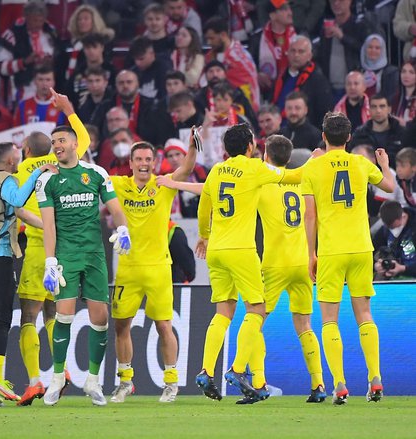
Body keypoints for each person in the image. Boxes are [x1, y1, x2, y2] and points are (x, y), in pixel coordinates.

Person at [163, 123, 304, 402]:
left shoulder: (217, 170)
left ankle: (205, 370)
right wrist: (319, 163)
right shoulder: (254, 168)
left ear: (225, 149)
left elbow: (205, 203)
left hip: (216, 249)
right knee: (256, 308)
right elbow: (292, 176)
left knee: (222, 312)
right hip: (242, 250)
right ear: (251, 147)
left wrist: (203, 236)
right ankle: (238, 369)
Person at [302, 112, 394, 404]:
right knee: (364, 314)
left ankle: (340, 384)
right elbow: (390, 188)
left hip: (331, 251)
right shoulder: (360, 163)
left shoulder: (313, 168)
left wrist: (310, 254)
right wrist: (385, 166)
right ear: (349, 138)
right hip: (361, 248)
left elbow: (311, 215)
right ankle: (375, 378)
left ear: (324, 136)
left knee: (330, 320)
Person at [36, 122, 130, 407]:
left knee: (100, 319)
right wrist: (50, 261)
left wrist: (123, 229)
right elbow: (49, 226)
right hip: (66, 254)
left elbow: (116, 210)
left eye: (61, 140)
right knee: (63, 314)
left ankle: (92, 380)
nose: (57, 146)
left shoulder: (96, 173)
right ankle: (56, 377)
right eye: (54, 142)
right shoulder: (47, 180)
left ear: (76, 143)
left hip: (94, 256)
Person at [108, 128, 198, 404]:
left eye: (148, 159)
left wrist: (192, 146)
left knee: (164, 326)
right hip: (128, 268)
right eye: (139, 159)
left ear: (154, 162)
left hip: (159, 268)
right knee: (121, 326)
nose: (144, 164)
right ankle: (125, 381)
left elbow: (187, 168)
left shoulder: (165, 183)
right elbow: (90, 175)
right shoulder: (119, 185)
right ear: (131, 162)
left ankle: (171, 382)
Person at [14, 90, 90, 406]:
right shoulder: (66, 158)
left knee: (27, 317)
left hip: (36, 249)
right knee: (52, 312)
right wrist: (68, 109)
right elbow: (82, 137)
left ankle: (34, 382)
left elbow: (15, 206)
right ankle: (64, 372)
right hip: (65, 249)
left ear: (27, 150)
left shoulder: (23, 170)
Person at [0, 141, 54, 404]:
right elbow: (18, 200)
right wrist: (38, 174)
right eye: (16, 157)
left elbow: (17, 211)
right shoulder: (8, 181)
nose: (18, 160)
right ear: (11, 161)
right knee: (1, 319)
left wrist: (47, 227)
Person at [255, 134, 326, 404]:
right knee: (305, 325)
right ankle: (318, 384)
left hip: (274, 264)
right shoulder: (301, 179)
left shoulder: (262, 183)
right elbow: (310, 163)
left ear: (266, 155)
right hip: (302, 264)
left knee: (255, 322)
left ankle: (259, 382)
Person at [0, 1, 58, 104]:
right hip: (21, 89)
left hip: (49, 91)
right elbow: (0, 68)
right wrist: (24, 62)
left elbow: (60, 59)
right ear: (26, 17)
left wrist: (50, 61)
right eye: (35, 20)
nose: (38, 24)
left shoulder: (50, 32)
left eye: (41, 20)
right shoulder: (12, 35)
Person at [315, 0, 376, 100]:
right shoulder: (326, 29)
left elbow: (365, 50)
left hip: (353, 87)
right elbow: (322, 56)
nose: (336, 4)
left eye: (341, 1)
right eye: (333, 1)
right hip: (330, 89)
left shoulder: (360, 25)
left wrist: (342, 37)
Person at [203, 16, 260, 111]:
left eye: (212, 38)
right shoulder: (210, 56)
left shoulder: (240, 58)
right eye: (207, 39)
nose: (209, 42)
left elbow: (251, 85)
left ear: (223, 35)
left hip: (241, 108)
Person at [273, 36, 332, 127]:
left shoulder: (318, 80)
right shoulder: (281, 77)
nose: (296, 55)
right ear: (287, 53)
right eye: (293, 51)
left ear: (310, 56)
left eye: (301, 51)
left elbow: (324, 113)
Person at [250, 0, 296, 96]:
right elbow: (249, 65)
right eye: (284, 9)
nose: (290, 13)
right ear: (272, 15)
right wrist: (257, 75)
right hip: (266, 92)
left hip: (294, 89)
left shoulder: (298, 36)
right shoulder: (258, 38)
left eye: (289, 9)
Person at [349, 94, 405, 167]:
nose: (378, 110)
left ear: (389, 109)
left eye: (382, 106)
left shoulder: (402, 133)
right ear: (369, 110)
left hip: (397, 177)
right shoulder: (359, 134)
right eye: (374, 107)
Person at [164, 137, 208, 218]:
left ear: (185, 155)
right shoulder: (165, 178)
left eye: (177, 154)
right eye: (170, 156)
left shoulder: (200, 171)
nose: (174, 159)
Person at [373, 201, 416, 280]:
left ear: (403, 216)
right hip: (393, 278)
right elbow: (372, 250)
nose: (394, 231)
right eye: (390, 228)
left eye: (396, 226)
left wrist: (403, 268)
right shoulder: (384, 230)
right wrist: (376, 266)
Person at [129, 36, 172, 102]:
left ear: (151, 53)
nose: (137, 63)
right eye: (135, 59)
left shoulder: (164, 69)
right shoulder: (133, 72)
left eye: (141, 59)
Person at [360, 34, 398, 101]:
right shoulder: (359, 71)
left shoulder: (392, 72)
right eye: (370, 47)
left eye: (377, 48)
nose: (373, 50)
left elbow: (392, 97)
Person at [392, 60, 416, 127]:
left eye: (411, 72)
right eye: (403, 71)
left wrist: (406, 124)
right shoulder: (395, 98)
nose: (406, 75)